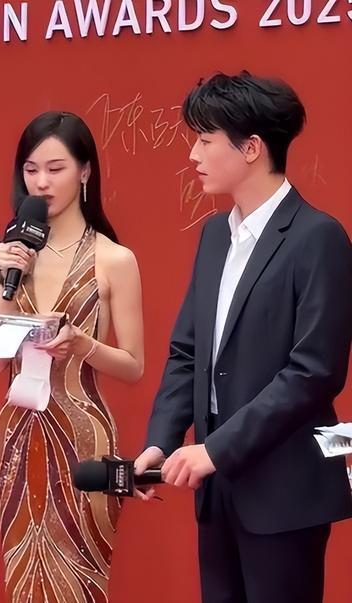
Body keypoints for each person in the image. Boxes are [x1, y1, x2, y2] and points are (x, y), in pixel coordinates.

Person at [134, 72, 352, 603]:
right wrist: (162, 440)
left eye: (205, 140)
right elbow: (188, 351)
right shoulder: (215, 235)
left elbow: (314, 372)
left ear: (251, 148)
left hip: (284, 493)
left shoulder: (317, 237)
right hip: (218, 490)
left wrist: (216, 450)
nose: (193, 155)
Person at [0, 111, 144, 602]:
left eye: (55, 169)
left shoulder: (114, 259)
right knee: (22, 582)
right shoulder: (7, 255)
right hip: (16, 438)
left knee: (79, 584)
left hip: (84, 442)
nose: (41, 182)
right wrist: (2, 279)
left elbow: (134, 365)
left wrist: (83, 345)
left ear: (85, 171)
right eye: (31, 169)